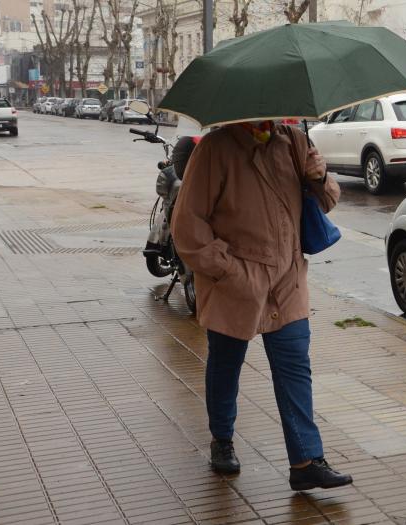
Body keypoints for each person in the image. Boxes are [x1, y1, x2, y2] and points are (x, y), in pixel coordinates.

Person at [171, 119, 351, 491]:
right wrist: (229, 271)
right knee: (226, 363)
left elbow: (328, 201)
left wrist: (319, 176)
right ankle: (222, 438)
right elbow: (187, 227)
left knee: (295, 367)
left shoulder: (294, 142)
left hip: (287, 280)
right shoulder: (215, 149)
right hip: (237, 283)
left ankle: (305, 461)